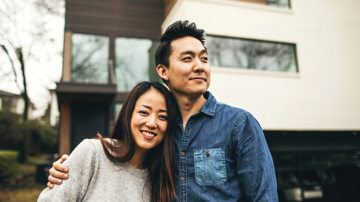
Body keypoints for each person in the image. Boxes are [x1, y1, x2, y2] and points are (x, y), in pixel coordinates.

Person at [47, 21, 278, 201]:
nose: (199, 66)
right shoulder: (157, 133)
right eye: (187, 58)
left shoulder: (239, 124)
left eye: (204, 58)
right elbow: (122, 168)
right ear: (163, 70)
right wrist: (68, 171)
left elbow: (263, 197)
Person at [38, 81, 178, 202]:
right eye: (144, 112)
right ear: (128, 115)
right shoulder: (93, 153)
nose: (152, 123)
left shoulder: (162, 181)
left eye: (162, 117)